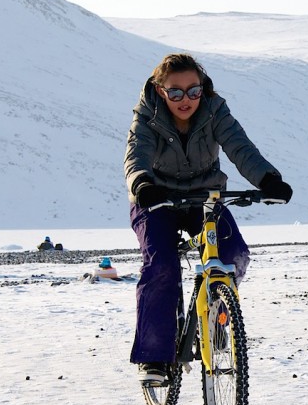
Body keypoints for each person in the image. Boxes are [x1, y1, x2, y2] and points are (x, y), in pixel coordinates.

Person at [124, 53, 293, 384]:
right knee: (161, 267)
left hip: (205, 198)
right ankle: (155, 357)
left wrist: (268, 180)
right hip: (156, 200)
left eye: (193, 91)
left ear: (203, 89)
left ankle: (216, 317)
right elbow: (136, 155)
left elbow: (241, 148)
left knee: (234, 255)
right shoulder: (147, 117)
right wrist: (142, 183)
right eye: (175, 92)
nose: (185, 99)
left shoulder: (215, 111)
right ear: (160, 92)